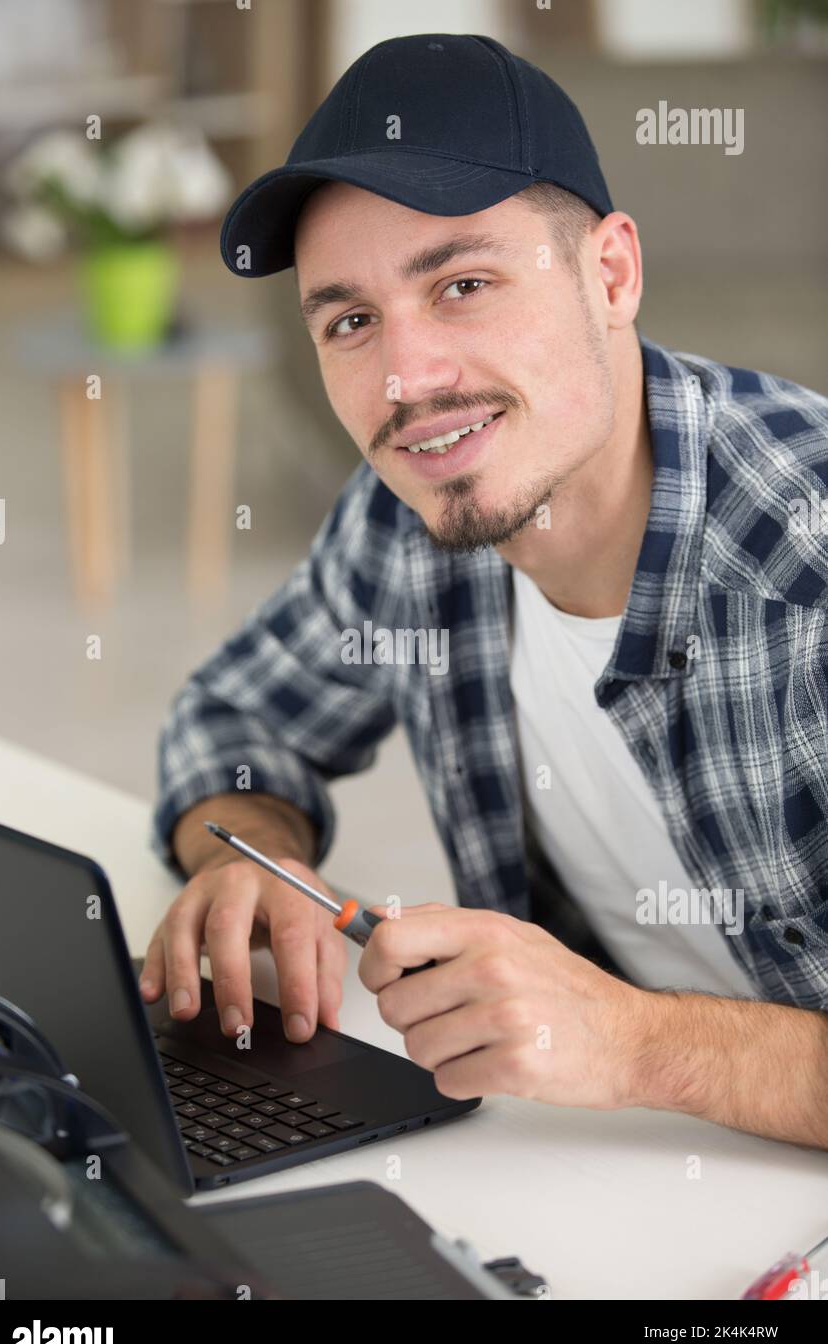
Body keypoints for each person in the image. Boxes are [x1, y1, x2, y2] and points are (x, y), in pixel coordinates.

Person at [140, 35, 828, 1148]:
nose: (406, 382)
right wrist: (242, 858)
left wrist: (630, 1042)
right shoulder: (409, 525)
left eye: (462, 284)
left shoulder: (802, 563)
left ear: (609, 273)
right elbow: (230, 720)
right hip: (610, 1164)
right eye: (350, 321)